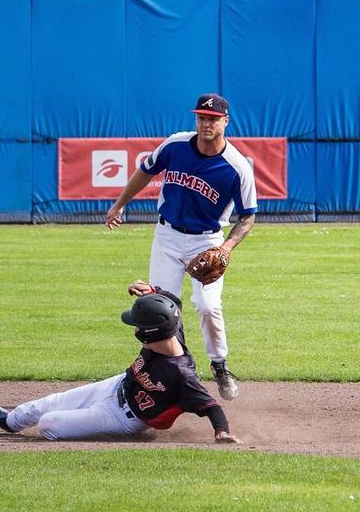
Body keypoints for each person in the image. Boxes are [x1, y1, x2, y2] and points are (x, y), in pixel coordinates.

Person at [104, 93, 256, 400]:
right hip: (168, 236)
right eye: (201, 117)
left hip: (207, 241)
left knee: (208, 305)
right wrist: (119, 204)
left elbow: (248, 217)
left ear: (225, 122)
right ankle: (169, 371)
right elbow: (145, 171)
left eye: (213, 119)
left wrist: (226, 248)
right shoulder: (175, 145)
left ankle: (220, 365)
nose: (205, 123)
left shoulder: (236, 167)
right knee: (159, 309)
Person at [0, 281, 242, 444]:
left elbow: (212, 407)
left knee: (49, 425)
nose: (134, 328)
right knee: (48, 403)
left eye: (137, 325)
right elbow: (174, 303)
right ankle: (9, 421)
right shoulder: (170, 327)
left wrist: (222, 432)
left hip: (124, 419)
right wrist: (152, 291)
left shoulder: (181, 375)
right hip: (117, 386)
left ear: (149, 333)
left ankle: (109, 435)